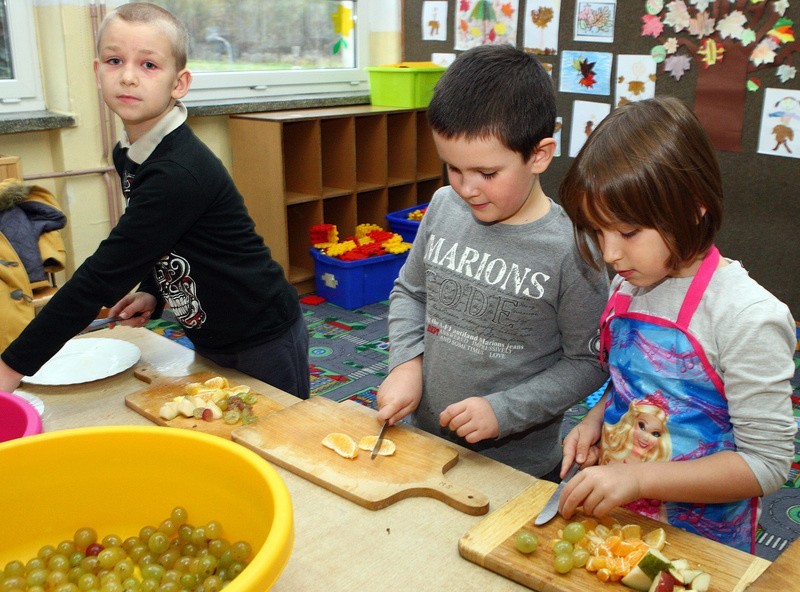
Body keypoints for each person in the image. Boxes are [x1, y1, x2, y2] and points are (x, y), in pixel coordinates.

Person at [0, 3, 310, 398]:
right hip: (207, 327)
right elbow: (162, 236)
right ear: (98, 72)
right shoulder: (130, 153)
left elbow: (103, 274)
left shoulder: (178, 172)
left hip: (260, 332)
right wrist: (153, 289)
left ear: (178, 83)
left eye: (148, 65)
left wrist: (11, 366)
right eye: (115, 60)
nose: (128, 76)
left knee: (277, 438)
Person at [557, 96, 796, 552]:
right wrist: (594, 420)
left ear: (694, 207)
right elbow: (634, 385)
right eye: (597, 230)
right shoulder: (628, 283)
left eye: (627, 232)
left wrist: (638, 476)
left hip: (704, 543)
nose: (609, 254)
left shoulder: (748, 317)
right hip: (623, 520)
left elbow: (765, 464)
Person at [375, 44, 610, 479]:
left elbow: (589, 361)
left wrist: (505, 411)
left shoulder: (574, 252)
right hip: (424, 439)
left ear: (538, 155)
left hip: (514, 467)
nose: (467, 189)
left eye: (487, 174)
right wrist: (407, 362)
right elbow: (411, 291)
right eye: (453, 168)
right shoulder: (444, 207)